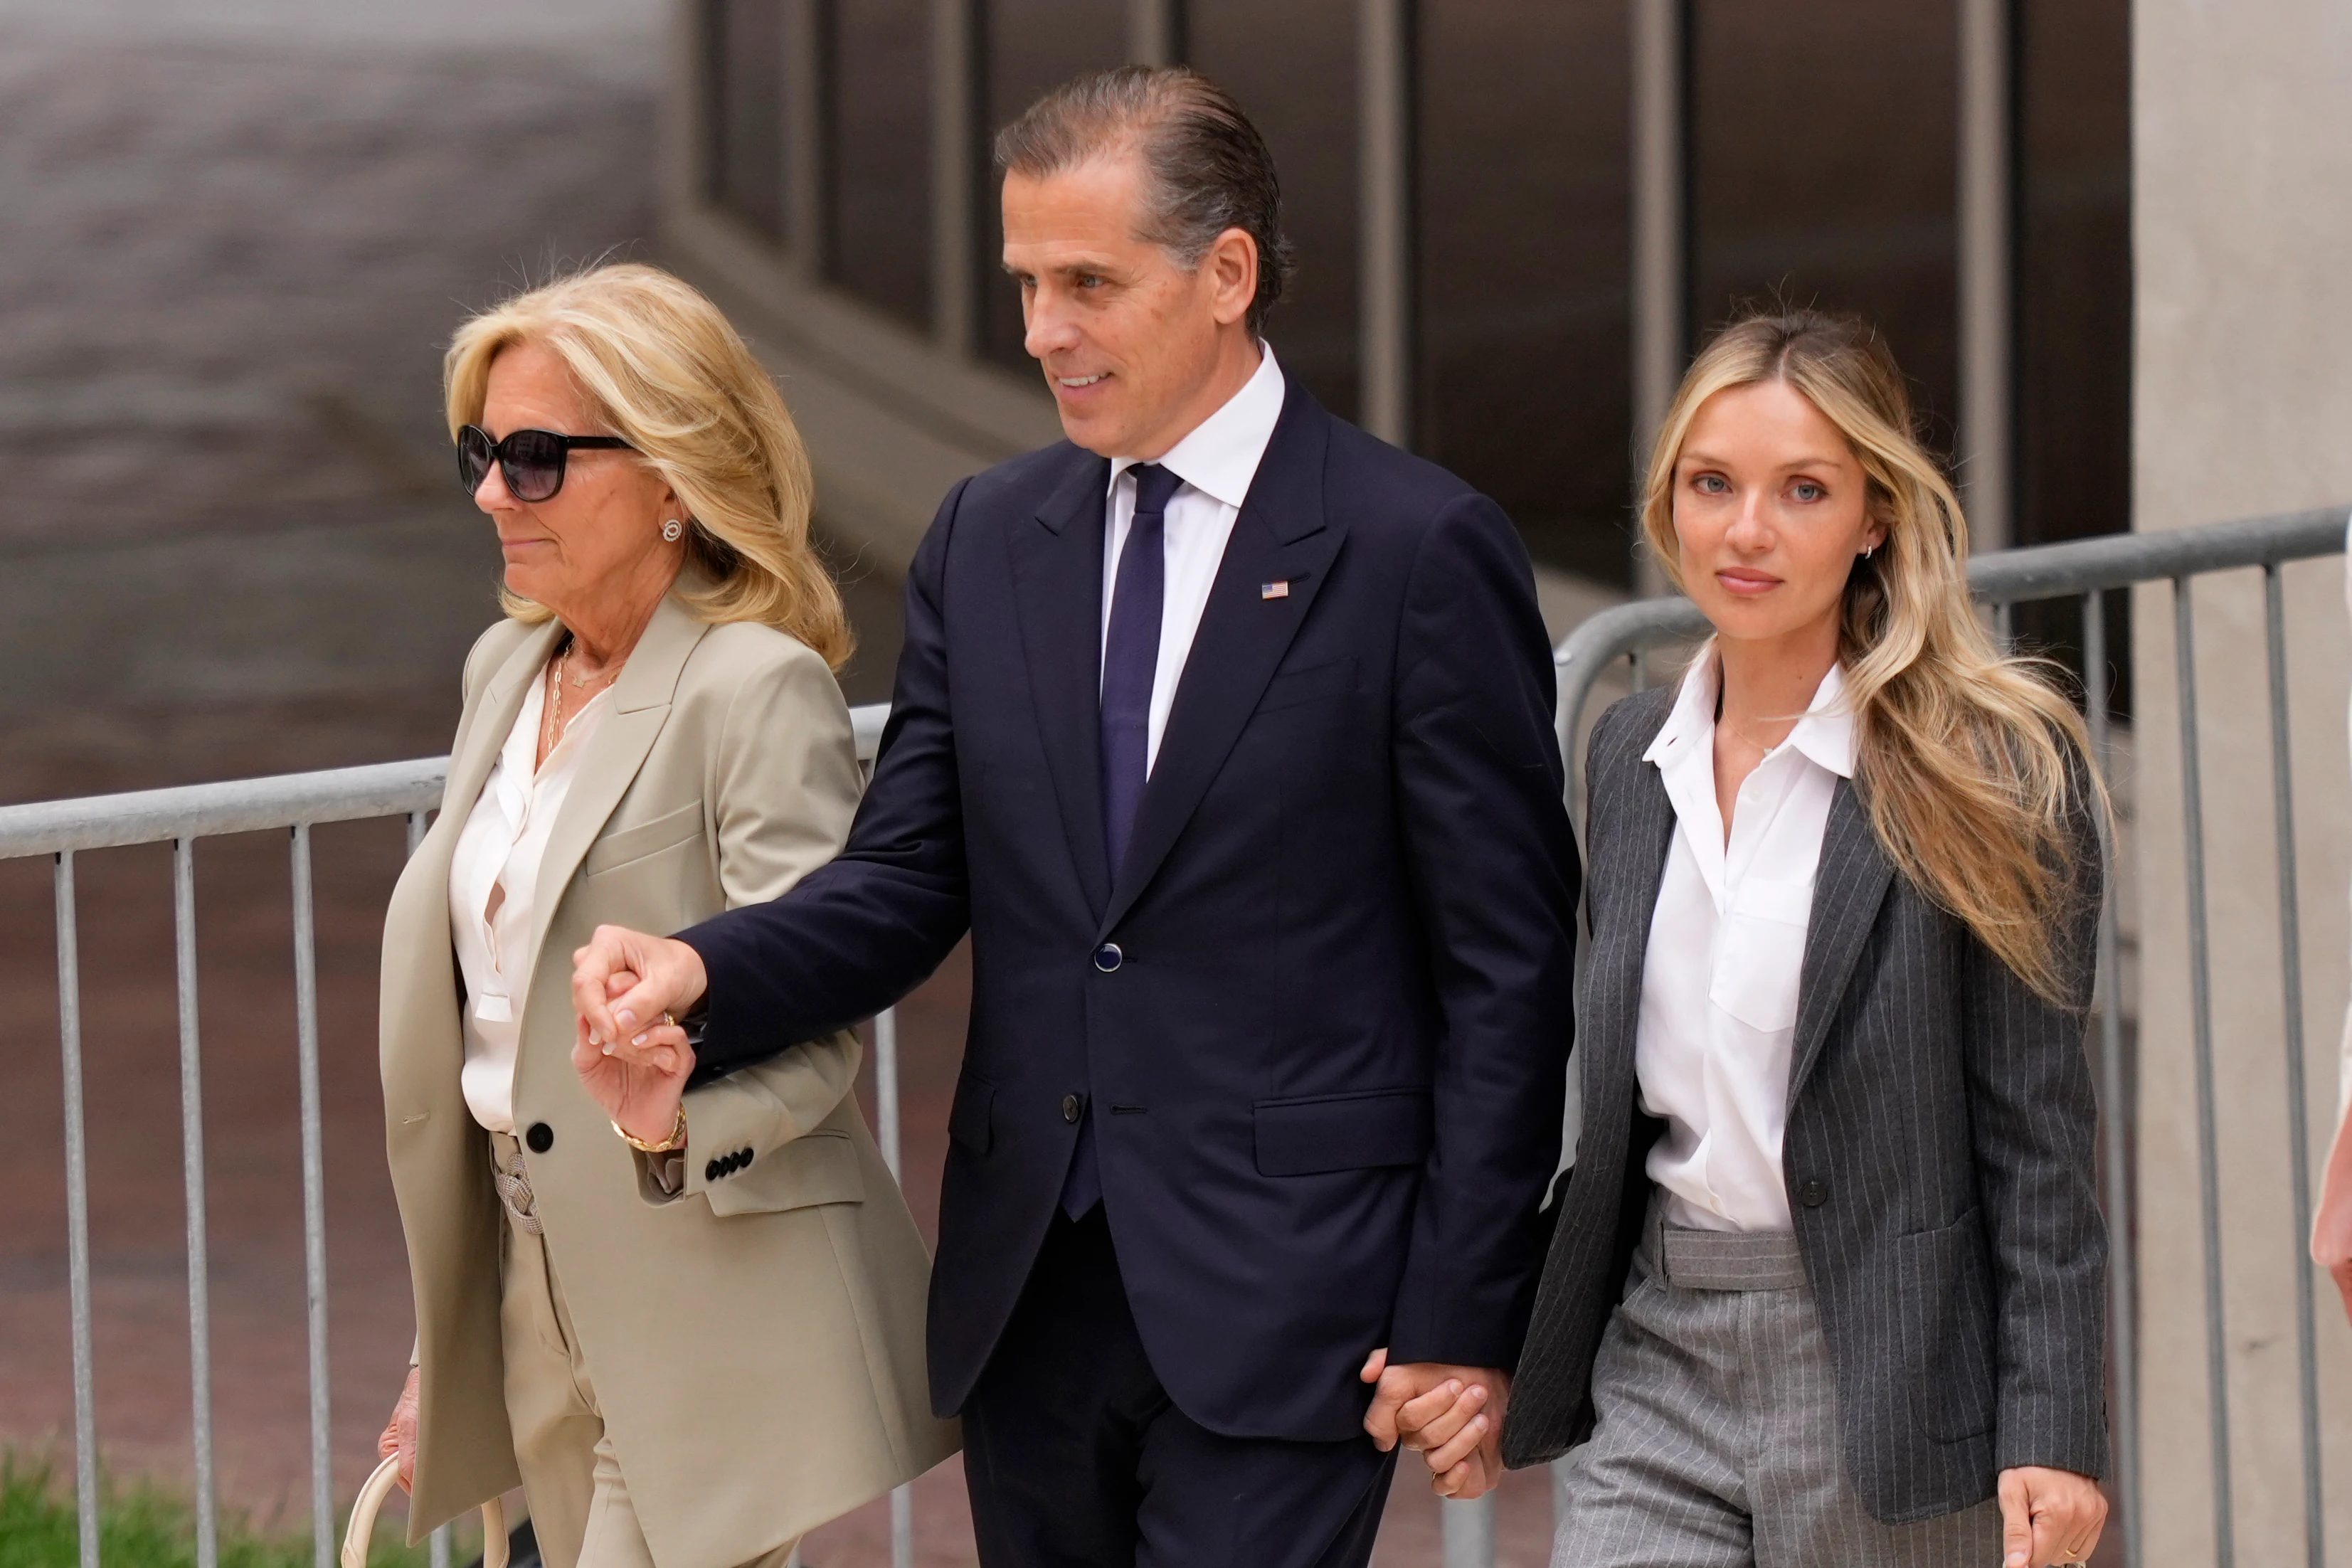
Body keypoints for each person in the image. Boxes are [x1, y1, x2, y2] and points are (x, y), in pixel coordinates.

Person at [568, 66, 1579, 1567]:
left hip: (1299, 1300)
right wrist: (706, 976)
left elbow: (1509, 970)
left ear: (1227, 274)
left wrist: (1463, 1315)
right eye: (1028, 283)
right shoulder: (990, 535)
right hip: (1031, 1287)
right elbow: (908, 877)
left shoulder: (1415, 549)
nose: (1043, 330)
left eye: (1088, 283)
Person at [1485, 311, 2110, 1568]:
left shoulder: (1988, 774)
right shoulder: (1627, 755)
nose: (1746, 531)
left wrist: (2056, 1427)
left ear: (1874, 515)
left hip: (1886, 1371)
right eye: (1711, 484)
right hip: (1659, 1353)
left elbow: (2036, 1142)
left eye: (1803, 490)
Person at [374, 263, 955, 1568]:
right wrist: (446, 1348)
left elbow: (816, 1022)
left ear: (673, 476)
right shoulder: (504, 667)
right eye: (482, 451)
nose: (487, 494)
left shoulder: (755, 688)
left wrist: (677, 1119)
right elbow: (499, 1035)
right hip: (531, 1291)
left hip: (701, 1294)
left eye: (534, 459)